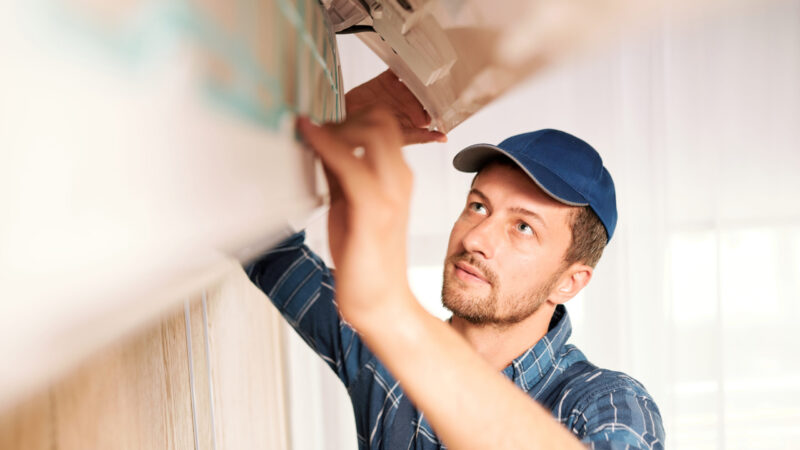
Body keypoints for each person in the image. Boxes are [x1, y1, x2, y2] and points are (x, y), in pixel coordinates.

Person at [246, 70, 665, 449]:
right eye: (479, 206)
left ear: (569, 282)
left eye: (523, 227)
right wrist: (335, 123)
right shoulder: (381, 345)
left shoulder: (608, 404)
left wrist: (393, 316)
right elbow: (253, 233)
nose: (478, 237)